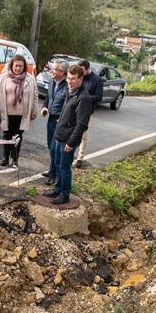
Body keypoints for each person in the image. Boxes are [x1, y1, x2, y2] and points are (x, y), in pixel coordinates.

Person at [43, 65, 91, 205]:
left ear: (81, 79)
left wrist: (71, 142)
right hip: (60, 135)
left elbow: (82, 124)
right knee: (58, 165)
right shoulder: (70, 91)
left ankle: (64, 195)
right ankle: (58, 189)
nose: (70, 82)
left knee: (64, 168)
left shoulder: (83, 98)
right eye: (68, 78)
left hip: (68, 139)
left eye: (73, 79)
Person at [0, 54, 38, 167]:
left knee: (17, 137)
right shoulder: (3, 78)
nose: (18, 68)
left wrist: (34, 112)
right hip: (6, 114)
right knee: (6, 135)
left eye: (20, 66)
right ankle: (5, 157)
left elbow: (35, 96)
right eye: (16, 65)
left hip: (22, 115)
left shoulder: (30, 79)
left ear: (24, 66)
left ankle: (15, 159)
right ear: (12, 65)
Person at [40, 59, 69, 186]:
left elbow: (68, 105)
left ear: (62, 72)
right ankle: (53, 169)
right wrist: (45, 107)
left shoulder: (68, 85)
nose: (51, 71)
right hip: (50, 119)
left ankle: (54, 174)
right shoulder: (52, 81)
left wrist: (62, 119)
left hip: (60, 122)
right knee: (50, 147)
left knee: (54, 149)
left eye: (55, 69)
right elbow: (48, 97)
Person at [74, 59, 103, 168]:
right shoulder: (79, 77)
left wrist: (85, 98)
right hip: (74, 109)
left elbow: (99, 97)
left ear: (88, 68)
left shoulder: (97, 80)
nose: (81, 73)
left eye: (82, 71)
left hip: (86, 111)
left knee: (83, 135)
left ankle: (80, 158)